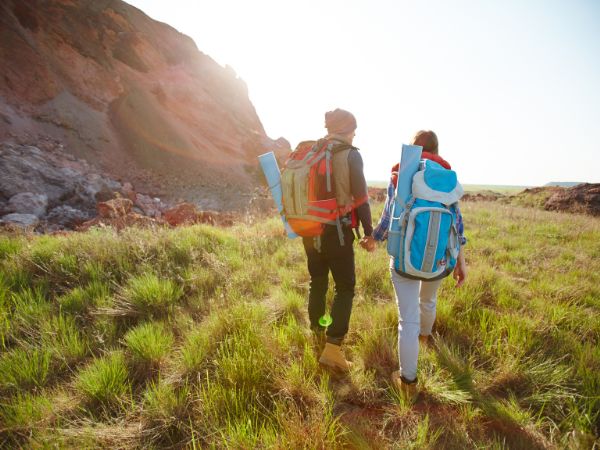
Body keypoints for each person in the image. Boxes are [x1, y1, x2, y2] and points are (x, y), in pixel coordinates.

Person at [361, 130, 467, 399]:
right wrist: (460, 262)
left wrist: (374, 238)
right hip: (439, 259)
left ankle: (408, 382)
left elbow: (389, 217)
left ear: (414, 147)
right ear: (436, 149)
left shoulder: (403, 172)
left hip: (404, 260)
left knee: (406, 318)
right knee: (428, 302)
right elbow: (456, 225)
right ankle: (424, 339)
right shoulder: (447, 179)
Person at [304, 108, 373, 372]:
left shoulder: (312, 153)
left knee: (317, 282)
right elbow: (361, 198)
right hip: (338, 231)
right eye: (354, 129)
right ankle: (332, 348)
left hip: (310, 230)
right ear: (347, 130)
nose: (355, 134)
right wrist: (369, 233)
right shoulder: (350, 155)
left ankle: (317, 335)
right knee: (345, 287)